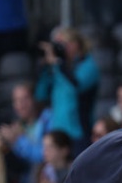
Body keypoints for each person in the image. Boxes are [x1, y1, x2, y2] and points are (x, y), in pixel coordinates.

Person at [35, 27, 100, 156]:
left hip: (79, 133)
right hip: (58, 134)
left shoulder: (88, 65)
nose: (59, 49)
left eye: (62, 44)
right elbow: (40, 95)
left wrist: (59, 64)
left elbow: (76, 86)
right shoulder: (57, 70)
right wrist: (45, 69)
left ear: (75, 44)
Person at [0, 82, 52, 183]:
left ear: (34, 99)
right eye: (16, 100)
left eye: (25, 99)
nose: (21, 105)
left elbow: (45, 155)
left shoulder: (48, 119)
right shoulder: (17, 126)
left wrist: (17, 141)